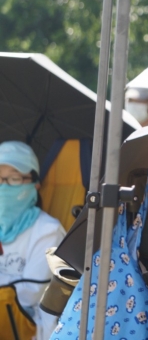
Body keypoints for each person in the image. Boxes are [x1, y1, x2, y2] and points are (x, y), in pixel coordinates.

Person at [0, 141, 65, 340]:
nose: (4, 187)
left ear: (35, 184)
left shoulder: (48, 231)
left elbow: (28, 296)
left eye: (14, 179)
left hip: (29, 329)